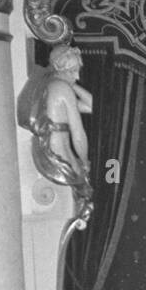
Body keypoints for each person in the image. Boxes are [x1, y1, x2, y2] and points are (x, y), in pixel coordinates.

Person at [29, 43, 92, 210]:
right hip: (61, 158)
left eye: (78, 70)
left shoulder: (50, 87)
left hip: (48, 154)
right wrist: (84, 161)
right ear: (59, 68)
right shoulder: (62, 89)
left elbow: (91, 105)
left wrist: (69, 81)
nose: (77, 76)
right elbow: (78, 134)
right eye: (72, 71)